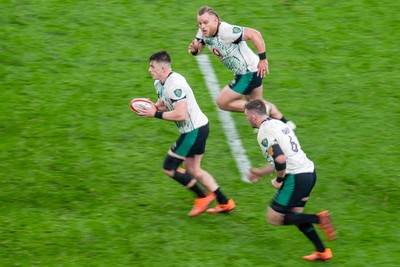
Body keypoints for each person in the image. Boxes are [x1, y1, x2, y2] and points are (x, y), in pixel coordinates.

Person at [136, 50, 235, 216]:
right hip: (198, 128)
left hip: (194, 131)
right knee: (194, 169)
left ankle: (202, 197)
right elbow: (166, 104)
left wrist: (155, 114)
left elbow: (181, 114)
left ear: (162, 68)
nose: (149, 70)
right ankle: (225, 202)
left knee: (169, 167)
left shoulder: (174, 85)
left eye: (152, 66)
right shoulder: (159, 83)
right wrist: (153, 107)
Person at [244, 99, 336, 261]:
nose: (247, 120)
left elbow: (280, 160)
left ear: (253, 116)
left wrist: (279, 180)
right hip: (309, 172)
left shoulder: (264, 132)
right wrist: (259, 172)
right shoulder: (279, 124)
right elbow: (283, 157)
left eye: (246, 117)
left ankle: (319, 218)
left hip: (296, 177)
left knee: (274, 217)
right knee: (296, 215)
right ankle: (322, 251)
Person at [188, 6, 296, 130]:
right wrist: (195, 50)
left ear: (215, 21)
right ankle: (285, 123)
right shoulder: (203, 31)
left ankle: (262, 109)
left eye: (205, 23)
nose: (202, 26)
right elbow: (198, 47)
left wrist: (263, 59)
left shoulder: (227, 31)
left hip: (249, 72)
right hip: (248, 72)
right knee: (259, 116)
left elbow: (255, 34)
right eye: (200, 23)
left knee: (222, 102)